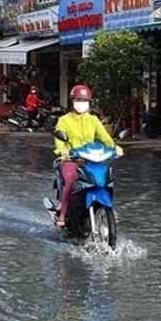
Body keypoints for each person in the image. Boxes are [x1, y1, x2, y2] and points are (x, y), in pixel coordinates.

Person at [53, 84, 123, 228]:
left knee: (107, 177)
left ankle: (106, 208)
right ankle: (63, 214)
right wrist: (63, 151)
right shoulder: (64, 120)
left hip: (91, 160)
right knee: (72, 179)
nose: (81, 103)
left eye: (84, 100)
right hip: (71, 160)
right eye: (78, 100)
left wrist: (115, 147)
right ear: (72, 101)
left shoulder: (93, 120)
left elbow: (106, 138)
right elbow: (59, 140)